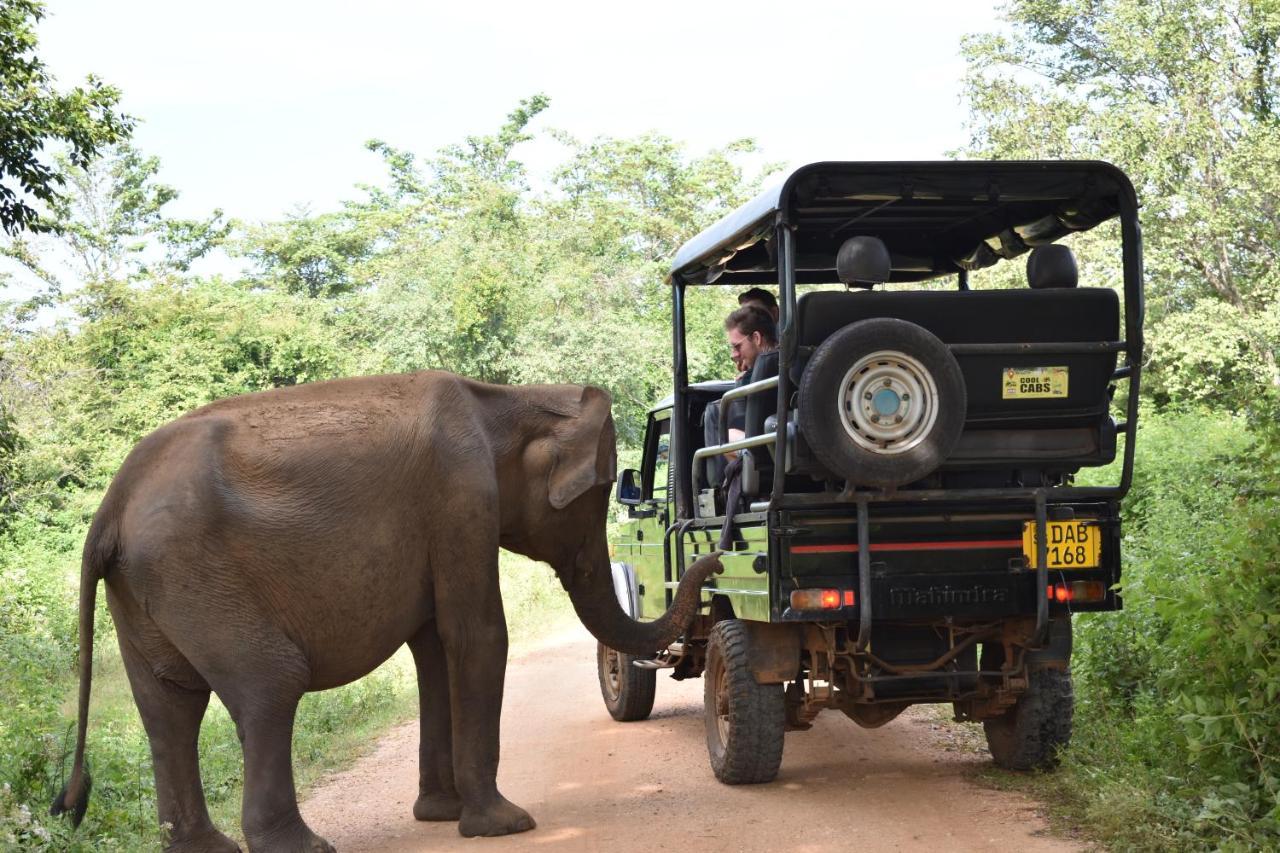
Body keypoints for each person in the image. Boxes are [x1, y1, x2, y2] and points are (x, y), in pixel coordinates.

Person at [703, 304, 777, 484]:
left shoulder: (764, 367)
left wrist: (741, 380)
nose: (734, 354)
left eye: (737, 346)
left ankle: (723, 486)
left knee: (722, 429)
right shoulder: (792, 359)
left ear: (757, 338)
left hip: (766, 454)